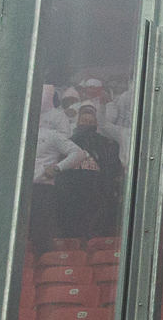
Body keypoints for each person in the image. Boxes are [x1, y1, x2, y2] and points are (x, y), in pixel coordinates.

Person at [56, 104, 122, 240]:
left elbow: (114, 172)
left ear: (96, 123)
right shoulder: (65, 143)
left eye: (90, 122)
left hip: (98, 198)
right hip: (71, 199)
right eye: (84, 121)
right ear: (78, 122)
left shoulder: (108, 145)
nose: (87, 125)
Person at [29, 125, 86, 255]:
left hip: (42, 187)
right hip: (16, 188)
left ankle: (43, 266)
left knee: (41, 232)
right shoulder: (14, 133)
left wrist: (57, 168)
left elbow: (78, 153)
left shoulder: (51, 134)